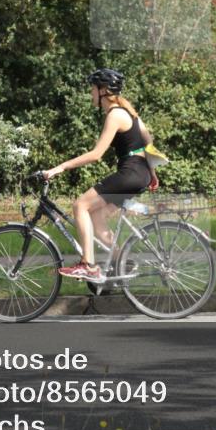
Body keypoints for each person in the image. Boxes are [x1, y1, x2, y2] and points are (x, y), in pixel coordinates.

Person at [41, 68, 156, 283]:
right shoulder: (129, 113)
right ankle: (122, 261)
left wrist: (61, 167)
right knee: (96, 216)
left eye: (92, 90)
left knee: (80, 205)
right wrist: (152, 173)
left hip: (130, 173)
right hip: (139, 173)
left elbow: (96, 155)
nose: (91, 94)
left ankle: (88, 265)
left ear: (103, 91)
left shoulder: (115, 115)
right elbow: (148, 141)